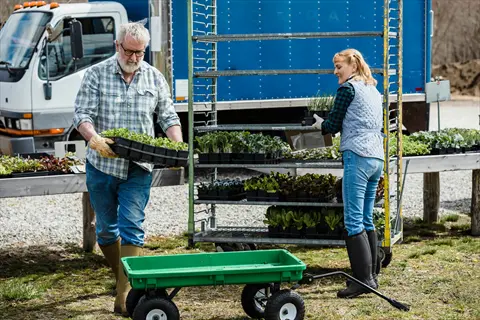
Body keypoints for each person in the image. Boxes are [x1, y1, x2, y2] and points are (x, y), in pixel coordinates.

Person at [73, 22, 183, 315]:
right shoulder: (96, 74)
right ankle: (123, 278)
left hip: (138, 166)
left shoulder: (154, 77)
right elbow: (82, 114)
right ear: (117, 45)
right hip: (102, 165)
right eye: (130, 51)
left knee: (132, 226)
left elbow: (168, 117)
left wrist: (178, 147)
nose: (135, 57)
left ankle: (123, 297)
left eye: (141, 52)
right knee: (107, 231)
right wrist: (94, 138)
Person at [313, 48, 384, 298]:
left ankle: (363, 281)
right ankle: (373, 275)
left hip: (358, 155)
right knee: (367, 218)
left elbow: (333, 125)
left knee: (353, 220)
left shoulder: (348, 89)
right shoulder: (373, 89)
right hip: (377, 157)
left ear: (353, 66)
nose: (335, 72)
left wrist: (319, 124)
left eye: (339, 67)